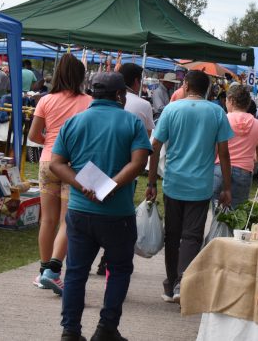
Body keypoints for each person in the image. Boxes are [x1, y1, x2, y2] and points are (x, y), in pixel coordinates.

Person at [50, 72, 151, 341]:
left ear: (92, 93)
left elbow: (56, 163)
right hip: (118, 214)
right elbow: (139, 162)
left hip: (80, 212)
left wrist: (81, 185)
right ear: (120, 96)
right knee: (118, 270)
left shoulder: (74, 122)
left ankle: (70, 331)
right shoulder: (131, 122)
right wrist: (113, 186)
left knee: (75, 272)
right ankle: (106, 328)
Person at [146, 70, 233, 303]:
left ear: (185, 85)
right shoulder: (217, 111)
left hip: (174, 182)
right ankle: (182, 283)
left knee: (172, 235)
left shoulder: (171, 110)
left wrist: (152, 181)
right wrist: (227, 186)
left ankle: (170, 283)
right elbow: (224, 153)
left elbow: (155, 146)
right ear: (206, 89)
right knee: (192, 236)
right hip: (201, 185)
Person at [28, 54, 92, 294]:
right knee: (67, 220)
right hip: (72, 166)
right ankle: (54, 270)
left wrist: (50, 144)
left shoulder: (46, 100)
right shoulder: (88, 101)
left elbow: (34, 135)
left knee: (47, 219)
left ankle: (43, 270)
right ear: (80, 77)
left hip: (47, 162)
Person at [213, 84, 258, 209]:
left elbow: (213, 150)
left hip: (219, 169)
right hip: (243, 172)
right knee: (237, 215)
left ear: (231, 100)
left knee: (217, 212)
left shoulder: (221, 119)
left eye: (226, 100)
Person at [119, 63, 155, 137]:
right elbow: (147, 136)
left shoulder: (109, 99)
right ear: (136, 81)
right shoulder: (145, 104)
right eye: (140, 80)